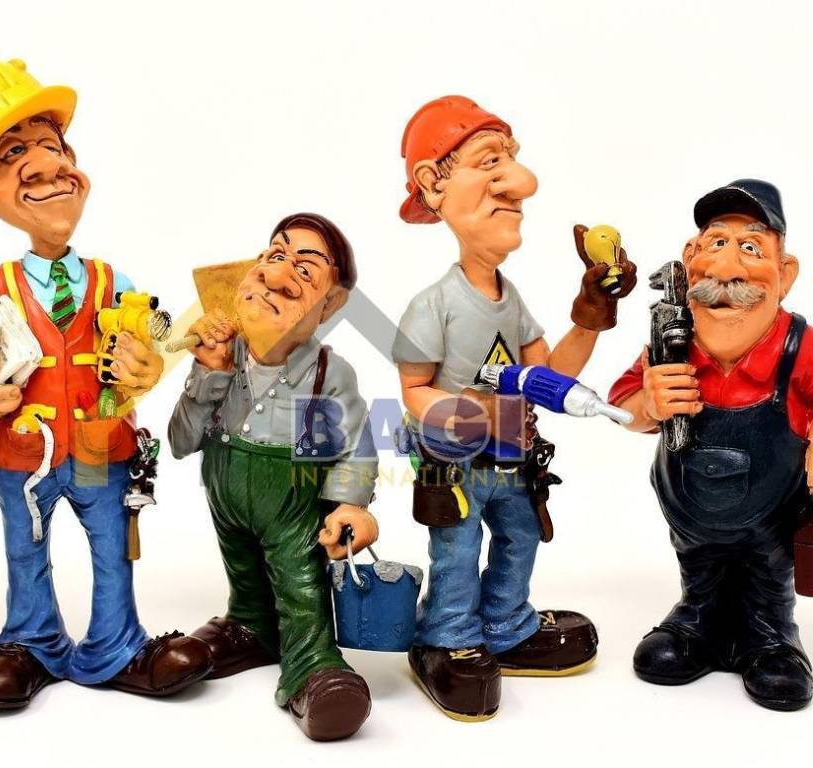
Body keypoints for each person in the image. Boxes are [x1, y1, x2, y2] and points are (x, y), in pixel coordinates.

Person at [0, 56, 211, 711]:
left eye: (53, 147)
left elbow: (155, 340)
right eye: (14, 153)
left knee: (113, 549)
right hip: (23, 451)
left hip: (102, 445)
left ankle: (117, 646)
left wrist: (150, 366)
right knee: (26, 550)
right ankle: (31, 641)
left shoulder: (109, 280)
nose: (44, 166)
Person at [392, 96, 635, 721]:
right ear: (433, 186)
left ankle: (505, 624)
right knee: (456, 548)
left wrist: (592, 312)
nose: (521, 184)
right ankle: (447, 635)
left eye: (512, 160)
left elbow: (549, 376)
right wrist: (478, 416)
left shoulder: (512, 299)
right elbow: (414, 393)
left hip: (511, 462)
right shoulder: (433, 306)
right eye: (490, 161)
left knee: (520, 535)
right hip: (456, 465)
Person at [169, 212, 379, 741]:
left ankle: (314, 665)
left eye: (305, 272)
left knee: (299, 581)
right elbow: (180, 441)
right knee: (243, 569)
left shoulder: (325, 374)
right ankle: (249, 626)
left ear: (331, 304)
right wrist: (208, 373)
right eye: (274, 255)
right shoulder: (222, 353)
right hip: (225, 494)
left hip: (290, 505)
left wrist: (349, 505)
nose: (276, 275)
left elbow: (353, 447)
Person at [610, 179, 813, 711]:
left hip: (772, 515)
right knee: (700, 568)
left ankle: (770, 634)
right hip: (690, 511)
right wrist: (650, 402)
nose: (727, 270)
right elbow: (622, 406)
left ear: (786, 274)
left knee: (766, 574)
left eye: (751, 248)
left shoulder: (799, 348)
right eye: (716, 244)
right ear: (689, 260)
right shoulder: (669, 342)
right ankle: (696, 619)